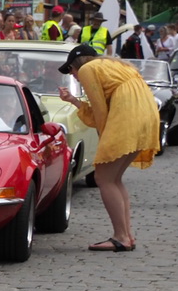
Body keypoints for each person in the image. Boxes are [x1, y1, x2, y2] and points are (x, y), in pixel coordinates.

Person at [57, 44, 161, 252]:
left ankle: (121, 236)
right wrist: (74, 101)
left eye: (71, 70)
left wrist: (104, 139)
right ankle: (127, 235)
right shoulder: (116, 66)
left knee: (104, 178)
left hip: (126, 120)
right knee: (114, 179)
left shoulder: (88, 69)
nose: (74, 76)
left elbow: (100, 110)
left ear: (78, 64)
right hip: (143, 118)